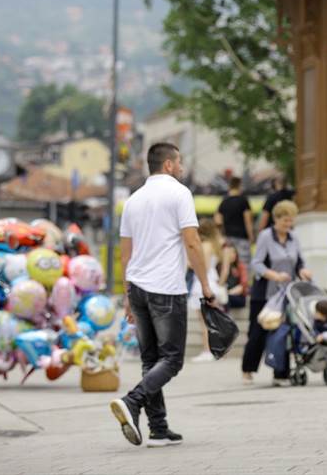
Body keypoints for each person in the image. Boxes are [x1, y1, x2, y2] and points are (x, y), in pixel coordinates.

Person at [110, 142, 216, 448]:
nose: (182, 167)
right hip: (166, 288)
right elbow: (192, 243)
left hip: (139, 288)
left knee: (151, 359)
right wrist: (206, 286)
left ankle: (158, 428)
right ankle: (133, 401)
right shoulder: (179, 194)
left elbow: (125, 254)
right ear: (168, 165)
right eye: (179, 162)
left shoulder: (133, 200)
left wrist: (128, 295)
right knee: (172, 360)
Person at [242, 199, 312, 385]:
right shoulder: (266, 236)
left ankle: (281, 373)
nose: (288, 225)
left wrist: (303, 271)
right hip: (264, 292)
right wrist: (273, 275)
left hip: (286, 293)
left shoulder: (293, 237)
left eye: (291, 221)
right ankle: (248, 369)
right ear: (276, 219)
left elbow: (299, 262)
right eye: (284, 222)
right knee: (257, 332)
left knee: (283, 333)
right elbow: (256, 263)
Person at [188, 218, 229, 363]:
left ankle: (207, 350)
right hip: (213, 281)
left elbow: (202, 266)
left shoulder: (205, 245)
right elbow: (225, 268)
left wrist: (189, 263)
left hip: (202, 283)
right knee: (211, 320)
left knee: (204, 321)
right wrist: (221, 282)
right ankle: (217, 350)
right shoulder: (218, 246)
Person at [215, 177, 253, 269]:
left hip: (228, 236)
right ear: (239, 186)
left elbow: (217, 220)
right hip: (242, 237)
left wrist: (221, 234)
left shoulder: (224, 201)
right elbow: (248, 220)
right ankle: (244, 282)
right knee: (244, 264)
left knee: (228, 263)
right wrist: (251, 236)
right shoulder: (243, 201)